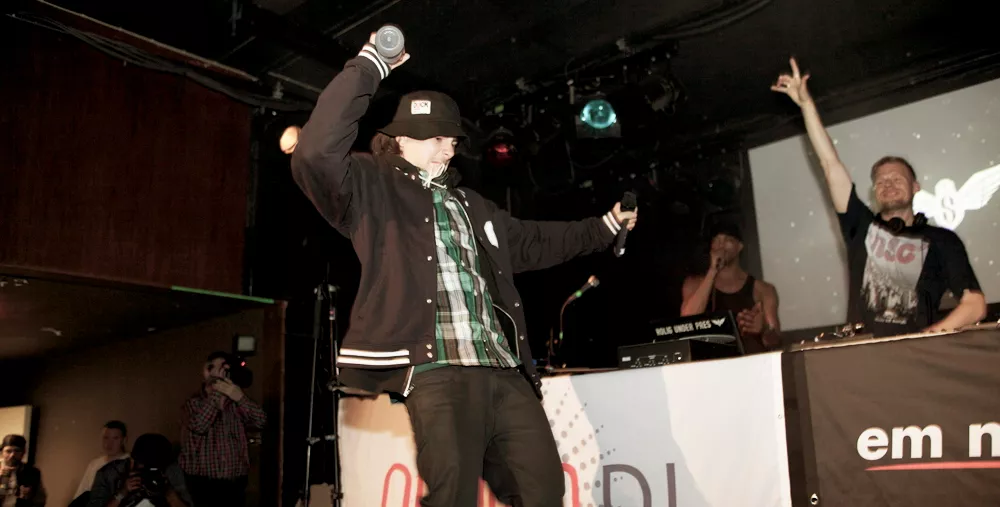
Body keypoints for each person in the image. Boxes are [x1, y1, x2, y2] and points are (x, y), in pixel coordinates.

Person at [291, 33, 637, 507]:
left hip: (503, 369)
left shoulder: (472, 204)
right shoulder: (369, 186)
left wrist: (604, 227)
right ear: (400, 139)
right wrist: (369, 65)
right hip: (437, 371)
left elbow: (533, 242)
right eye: (436, 138)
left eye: (452, 140)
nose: (448, 149)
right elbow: (314, 153)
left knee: (542, 490)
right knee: (452, 494)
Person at [771, 57, 987, 337]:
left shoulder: (943, 240)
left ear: (916, 187)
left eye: (897, 179)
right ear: (874, 191)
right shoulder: (860, 226)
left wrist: (926, 338)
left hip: (916, 353)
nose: (889, 184)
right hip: (862, 352)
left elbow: (975, 305)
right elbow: (830, 164)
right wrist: (806, 105)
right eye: (881, 181)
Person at [179, 352, 266, 507]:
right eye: (214, 368)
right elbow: (199, 425)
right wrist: (217, 392)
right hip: (203, 483)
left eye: (225, 368)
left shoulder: (235, 404)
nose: (220, 373)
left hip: (235, 482)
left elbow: (261, 421)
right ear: (206, 372)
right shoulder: (193, 403)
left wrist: (240, 397)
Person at [680, 222, 780, 352]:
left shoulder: (762, 289)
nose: (721, 246)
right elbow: (687, 323)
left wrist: (764, 328)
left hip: (750, 361)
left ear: (739, 247)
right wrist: (713, 271)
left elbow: (775, 341)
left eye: (727, 240)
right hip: (711, 361)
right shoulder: (694, 284)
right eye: (716, 241)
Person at [88, 433, 191, 507]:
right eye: (146, 468)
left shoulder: (171, 471)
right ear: (132, 460)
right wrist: (122, 493)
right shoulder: (108, 474)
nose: (150, 472)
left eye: (156, 468)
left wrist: (170, 494)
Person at [73, 421, 130, 503]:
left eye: (115, 438)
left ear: (124, 440)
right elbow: (82, 493)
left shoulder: (130, 463)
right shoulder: (94, 464)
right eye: (106, 438)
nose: (109, 443)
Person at [0, 435, 45, 507]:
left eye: (17, 451)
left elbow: (40, 500)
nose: (12, 455)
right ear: (2, 452)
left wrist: (30, 497)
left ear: (23, 452)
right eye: (8, 451)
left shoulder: (32, 472)